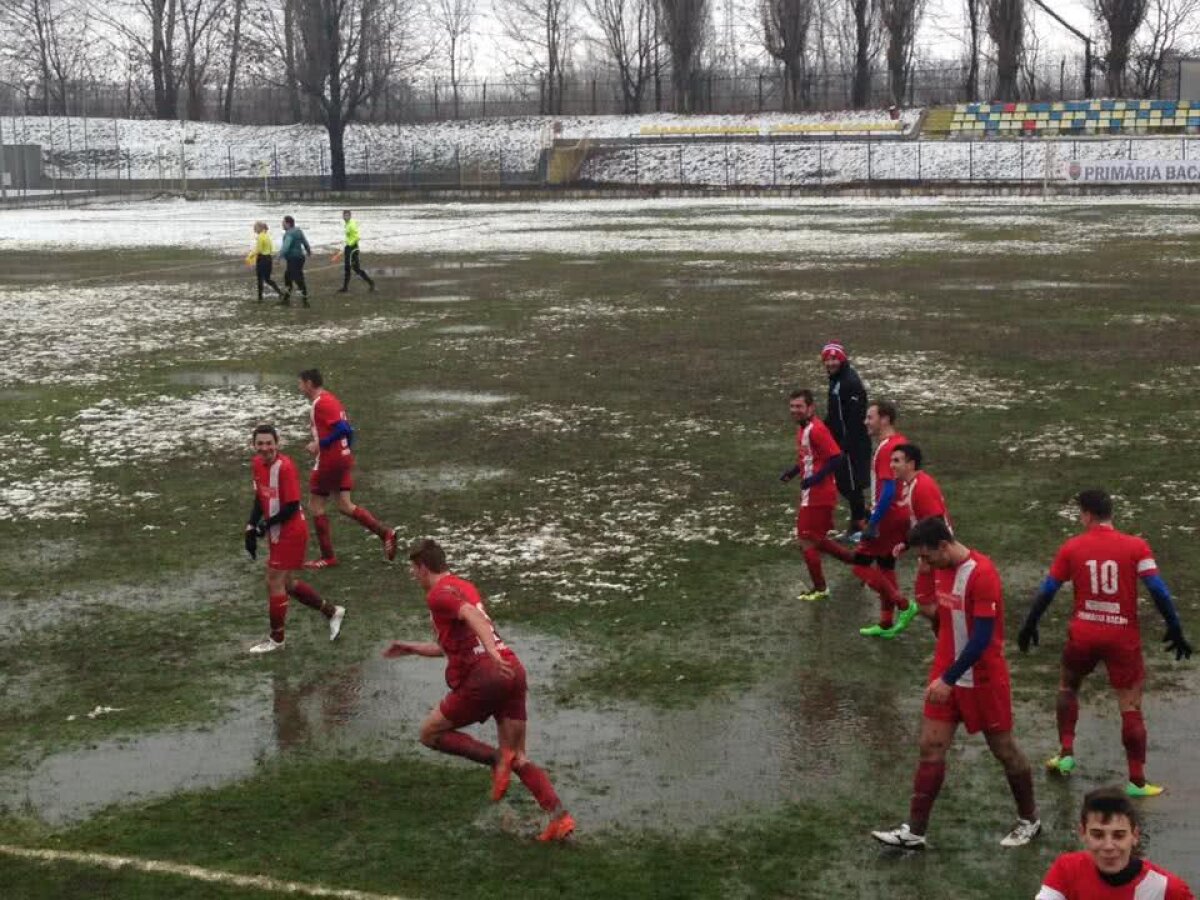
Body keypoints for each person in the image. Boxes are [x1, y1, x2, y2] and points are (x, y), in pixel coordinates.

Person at [384, 538, 575, 842]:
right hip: (513, 671)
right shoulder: (465, 587)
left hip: (487, 675)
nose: (412, 575)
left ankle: (496, 760)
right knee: (518, 756)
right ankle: (559, 818)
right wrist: (411, 648)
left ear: (423, 568)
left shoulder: (437, 595)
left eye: (413, 569)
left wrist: (493, 656)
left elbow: (473, 619)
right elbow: (456, 640)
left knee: (429, 733)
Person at [871, 517, 1040, 850]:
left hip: (982, 678)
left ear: (944, 546)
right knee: (930, 745)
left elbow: (981, 638)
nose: (925, 562)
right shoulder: (938, 567)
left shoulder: (983, 574)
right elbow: (929, 608)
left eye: (927, 556)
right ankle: (915, 832)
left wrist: (948, 678)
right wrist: (922, 572)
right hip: (946, 672)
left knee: (1004, 750)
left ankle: (1029, 820)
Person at [1018, 489, 1192, 797]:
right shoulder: (1136, 546)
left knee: (1067, 686)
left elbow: (1048, 589)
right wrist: (1174, 627)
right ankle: (1137, 781)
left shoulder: (1072, 547)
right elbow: (1158, 589)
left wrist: (1030, 624)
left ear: (1086, 514)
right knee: (1130, 705)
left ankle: (1066, 754)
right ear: (1111, 512)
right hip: (1121, 636)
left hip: (1084, 633)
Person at [805, 401, 919, 637]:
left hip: (887, 517)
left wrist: (874, 521)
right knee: (886, 566)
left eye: (870, 417)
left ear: (885, 419)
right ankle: (886, 624)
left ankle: (904, 604)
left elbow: (889, 489)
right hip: (897, 513)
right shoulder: (898, 442)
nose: (865, 422)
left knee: (860, 566)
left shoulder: (887, 448)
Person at [244, 424, 345, 654]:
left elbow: (291, 506)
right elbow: (260, 497)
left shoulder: (285, 467)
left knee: (274, 580)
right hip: (276, 531)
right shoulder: (257, 464)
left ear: (277, 444)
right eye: (260, 443)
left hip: (291, 532)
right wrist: (251, 525)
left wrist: (265, 525)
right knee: (287, 583)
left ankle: (277, 639)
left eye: (269, 443)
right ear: (254, 445)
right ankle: (332, 612)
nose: (265, 448)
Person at [298, 368, 397, 568]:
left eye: (300, 383)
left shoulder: (321, 403)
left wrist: (320, 445)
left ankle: (328, 557)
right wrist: (346, 451)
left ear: (309, 383)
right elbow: (348, 430)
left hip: (330, 461)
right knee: (344, 505)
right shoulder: (331, 399)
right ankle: (385, 533)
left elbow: (343, 429)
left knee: (316, 505)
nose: (299, 387)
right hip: (341, 458)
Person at [1036, 787, 1194, 899]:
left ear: (1134, 836)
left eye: (1119, 836)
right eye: (1098, 835)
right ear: (1083, 833)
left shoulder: (1167, 888)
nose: (1108, 846)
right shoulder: (1067, 869)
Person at [781, 388, 842, 601]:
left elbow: (836, 458)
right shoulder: (803, 429)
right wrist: (792, 472)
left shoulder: (816, 430)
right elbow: (809, 459)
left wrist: (815, 479)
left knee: (805, 540)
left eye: (799, 406)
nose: (794, 410)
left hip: (819, 493)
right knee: (816, 539)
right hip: (811, 492)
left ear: (810, 408)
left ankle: (820, 588)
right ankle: (857, 560)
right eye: (792, 406)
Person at [822, 342, 871, 535]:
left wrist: (846, 445)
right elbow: (834, 413)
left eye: (834, 359)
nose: (830, 363)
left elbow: (856, 418)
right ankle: (863, 515)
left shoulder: (850, 382)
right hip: (840, 442)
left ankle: (859, 526)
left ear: (842, 360)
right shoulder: (836, 380)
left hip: (852, 443)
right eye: (827, 359)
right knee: (844, 483)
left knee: (851, 484)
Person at [337, 209, 376, 293]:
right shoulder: (347, 224)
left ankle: (371, 283)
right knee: (351, 268)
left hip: (353, 248)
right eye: (344, 215)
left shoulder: (351, 224)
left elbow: (357, 237)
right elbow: (349, 237)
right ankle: (345, 287)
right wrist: (346, 245)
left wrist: (350, 245)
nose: (345, 217)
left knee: (354, 268)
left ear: (350, 216)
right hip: (349, 247)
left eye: (347, 215)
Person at [278, 214, 312, 307]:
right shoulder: (298, 231)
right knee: (288, 277)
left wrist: (279, 257)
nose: (282, 224)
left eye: (283, 223)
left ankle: (305, 301)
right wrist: (308, 251)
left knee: (298, 279)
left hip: (293, 259)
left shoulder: (289, 234)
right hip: (300, 258)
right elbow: (305, 242)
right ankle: (286, 299)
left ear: (288, 224)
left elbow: (286, 247)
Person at [251, 221, 283, 302]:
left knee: (260, 279)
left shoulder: (260, 236)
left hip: (262, 259)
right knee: (267, 279)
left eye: (255, 228)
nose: (254, 229)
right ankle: (280, 292)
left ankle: (260, 298)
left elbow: (259, 250)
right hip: (268, 258)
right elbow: (271, 249)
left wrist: (251, 255)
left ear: (259, 228)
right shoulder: (267, 236)